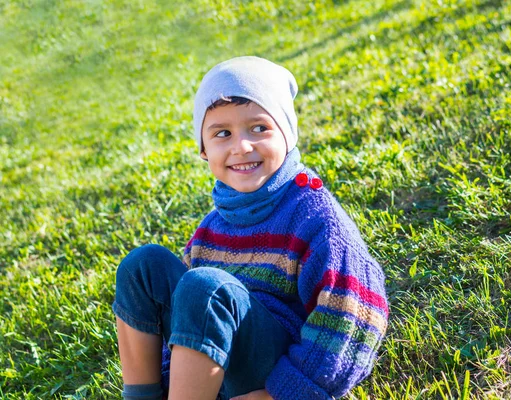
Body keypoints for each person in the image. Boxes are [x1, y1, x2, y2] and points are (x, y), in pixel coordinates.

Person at [112, 56, 389, 400]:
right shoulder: (211, 229)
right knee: (144, 265)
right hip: (217, 369)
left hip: (271, 374)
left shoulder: (316, 217)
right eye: (222, 133)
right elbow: (187, 319)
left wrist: (281, 393)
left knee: (206, 288)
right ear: (204, 150)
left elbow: (358, 316)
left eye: (259, 128)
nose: (241, 146)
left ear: (287, 134)